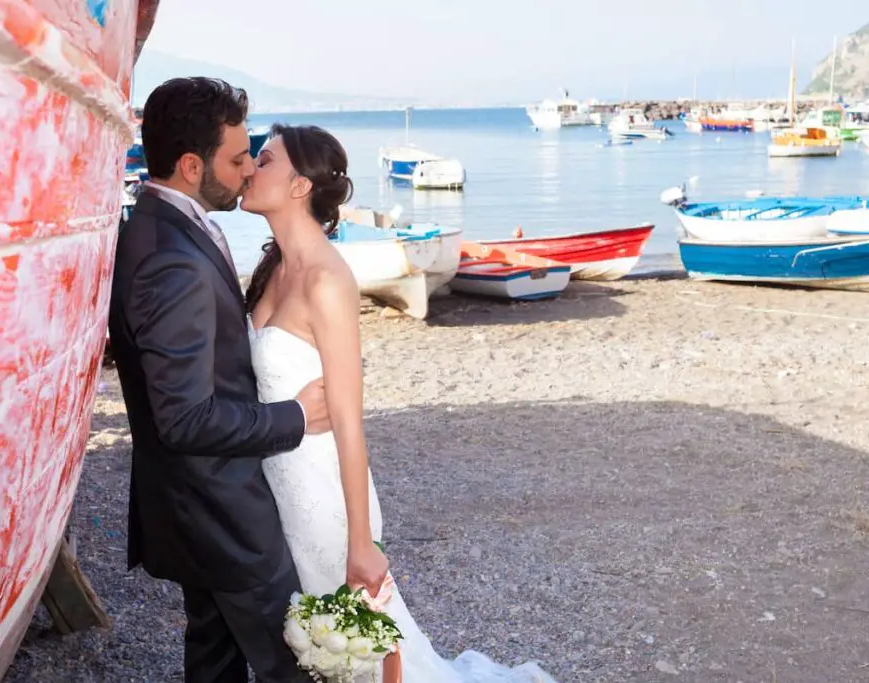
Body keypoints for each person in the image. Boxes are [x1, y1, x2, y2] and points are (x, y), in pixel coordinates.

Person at [240, 123, 560, 683]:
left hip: (324, 499)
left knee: (357, 646)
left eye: (263, 159)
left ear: (298, 186)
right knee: (315, 647)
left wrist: (361, 542)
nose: (248, 167)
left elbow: (349, 420)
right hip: (276, 490)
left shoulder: (328, 280)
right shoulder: (273, 268)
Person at [106, 77, 330, 683]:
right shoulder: (169, 260)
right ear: (188, 164)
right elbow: (184, 417)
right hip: (218, 507)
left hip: (198, 503)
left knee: (216, 650)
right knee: (295, 661)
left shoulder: (166, 227)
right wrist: (296, 417)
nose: (245, 171)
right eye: (235, 160)